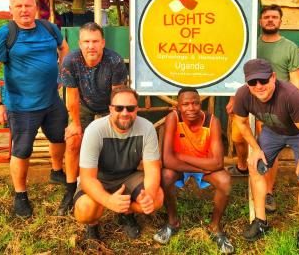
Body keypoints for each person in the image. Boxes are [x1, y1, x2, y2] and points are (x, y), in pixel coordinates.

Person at [0, 0, 70, 218]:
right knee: (22, 150)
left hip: (52, 100)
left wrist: (63, 73)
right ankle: (20, 194)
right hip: (21, 105)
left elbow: (64, 48)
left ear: (36, 8)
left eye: (28, 5)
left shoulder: (49, 28)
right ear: (10, 9)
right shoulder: (4, 35)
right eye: (19, 6)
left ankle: (56, 170)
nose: (24, 10)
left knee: (59, 137)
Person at [233, 59, 299, 249]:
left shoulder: (291, 95)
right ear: (247, 83)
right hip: (273, 131)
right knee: (255, 167)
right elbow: (241, 123)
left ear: (273, 77)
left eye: (263, 80)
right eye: (253, 82)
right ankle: (261, 222)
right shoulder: (243, 95)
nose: (259, 86)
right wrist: (255, 149)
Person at [227, 4, 299, 213]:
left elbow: (296, 81)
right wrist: (236, 99)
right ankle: (242, 166)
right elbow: (241, 76)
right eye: (266, 17)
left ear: (280, 21)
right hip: (251, 101)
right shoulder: (251, 46)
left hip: (276, 106)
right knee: (238, 137)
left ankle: (268, 192)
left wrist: (287, 107)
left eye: (274, 17)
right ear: (260, 21)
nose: (270, 20)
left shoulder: (290, 48)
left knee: (271, 151)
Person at [73, 86, 163, 243]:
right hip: (99, 178)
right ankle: (93, 224)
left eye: (130, 108)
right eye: (119, 108)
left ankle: (126, 212)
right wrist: (107, 201)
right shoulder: (95, 130)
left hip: (129, 177)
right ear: (110, 109)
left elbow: (153, 170)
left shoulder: (147, 128)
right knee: (85, 210)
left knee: (157, 198)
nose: (125, 113)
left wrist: (147, 195)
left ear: (137, 109)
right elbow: (87, 178)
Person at [57, 22, 127, 215]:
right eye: (86, 41)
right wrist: (75, 124)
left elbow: (118, 96)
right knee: (72, 141)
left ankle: (112, 186)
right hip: (83, 105)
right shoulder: (70, 61)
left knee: (113, 144)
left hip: (109, 106)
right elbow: (71, 95)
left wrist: (115, 124)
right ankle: (70, 190)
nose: (91, 46)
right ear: (80, 44)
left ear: (103, 42)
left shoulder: (115, 61)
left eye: (95, 41)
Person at [153, 87, 234, 254]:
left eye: (195, 103)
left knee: (225, 181)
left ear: (200, 104)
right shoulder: (173, 118)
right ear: (178, 107)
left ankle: (214, 226)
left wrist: (182, 157)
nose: (191, 108)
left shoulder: (212, 121)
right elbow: (167, 160)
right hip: (190, 167)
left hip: (199, 166)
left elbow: (218, 163)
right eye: (186, 104)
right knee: (165, 175)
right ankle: (172, 222)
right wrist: (202, 166)